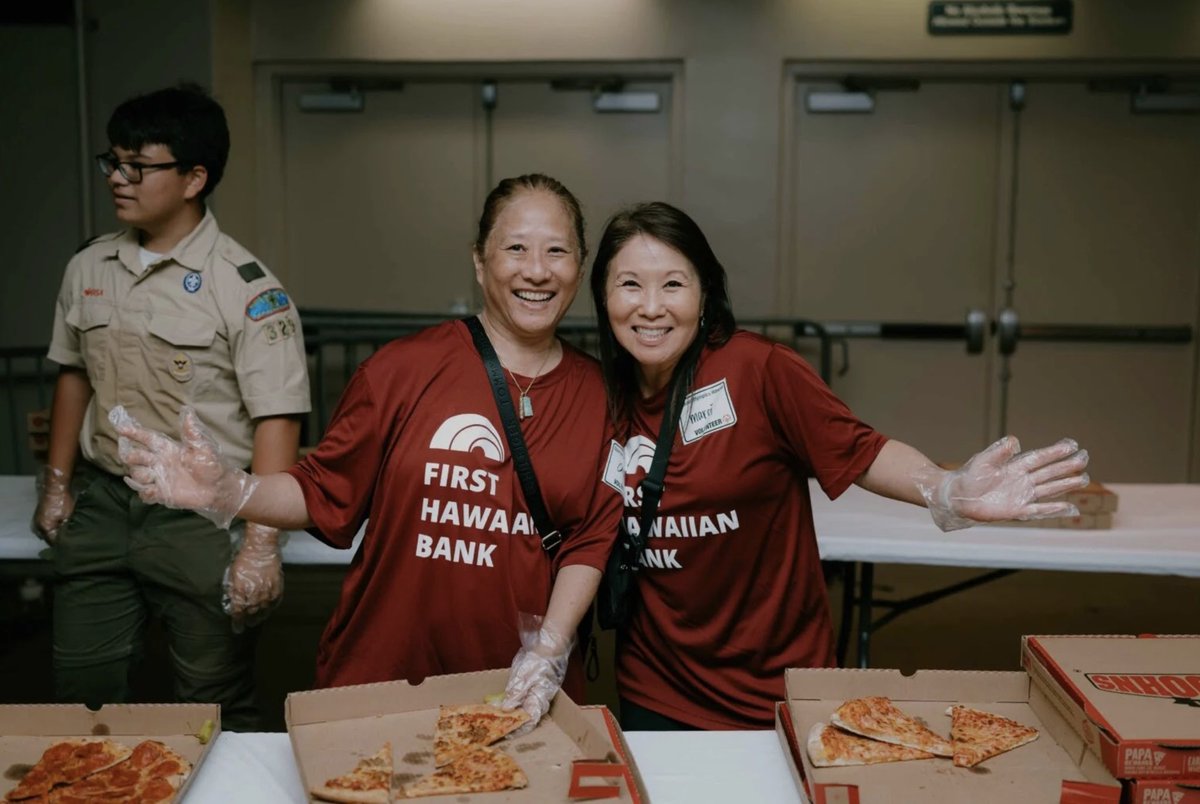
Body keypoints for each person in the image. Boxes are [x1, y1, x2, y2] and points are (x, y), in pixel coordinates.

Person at [111, 174, 622, 728]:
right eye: (516, 248)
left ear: (580, 264)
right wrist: (229, 490)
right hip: (385, 677)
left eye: (557, 251)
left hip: (518, 687)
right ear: (479, 261)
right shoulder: (401, 371)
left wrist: (548, 650)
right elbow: (323, 491)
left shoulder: (601, 398)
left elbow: (589, 541)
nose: (537, 270)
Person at [588, 201, 1091, 731]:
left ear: (705, 294)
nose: (650, 307)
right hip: (655, 683)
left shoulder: (759, 370)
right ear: (604, 296)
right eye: (629, 285)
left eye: (672, 285)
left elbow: (862, 450)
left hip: (774, 686)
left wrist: (946, 490)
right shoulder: (599, 395)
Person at [33, 84, 310, 730]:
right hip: (103, 503)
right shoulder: (89, 266)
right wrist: (57, 482)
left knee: (211, 699)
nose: (118, 179)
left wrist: (260, 544)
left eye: (139, 165)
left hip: (199, 516)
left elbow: (277, 417)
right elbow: (74, 376)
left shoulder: (244, 287)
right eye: (113, 161)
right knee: (80, 693)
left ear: (194, 178)